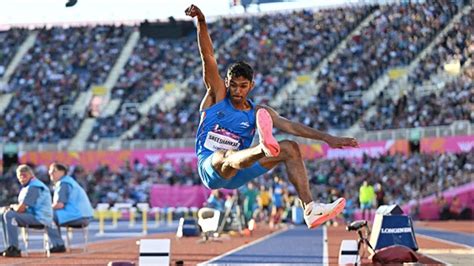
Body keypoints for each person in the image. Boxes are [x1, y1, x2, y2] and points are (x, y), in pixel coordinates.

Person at [186, 4, 359, 229]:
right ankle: (263, 148)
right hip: (212, 167)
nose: (237, 91)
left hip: (240, 169)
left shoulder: (258, 111)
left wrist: (328, 138)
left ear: (251, 86)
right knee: (225, 155)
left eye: (243, 86)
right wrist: (201, 21)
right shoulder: (217, 95)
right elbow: (207, 56)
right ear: (227, 84)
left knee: (290, 148)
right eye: (234, 86)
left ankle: (310, 208)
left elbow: (292, 127)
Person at [1, 165, 53, 257]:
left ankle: (14, 248)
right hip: (34, 215)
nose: (22, 178)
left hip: (40, 218)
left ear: (31, 175)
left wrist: (11, 207)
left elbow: (21, 209)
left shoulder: (34, 187)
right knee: (3, 214)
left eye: (24, 175)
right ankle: (9, 247)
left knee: (9, 215)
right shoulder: (28, 186)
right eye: (20, 176)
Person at [46, 163, 94, 253]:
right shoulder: (70, 181)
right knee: (52, 215)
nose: (50, 173)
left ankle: (58, 244)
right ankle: (57, 243)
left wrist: (44, 209)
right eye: (49, 171)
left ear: (62, 172)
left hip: (77, 215)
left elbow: (60, 205)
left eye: (53, 171)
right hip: (82, 215)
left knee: (47, 215)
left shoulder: (64, 183)